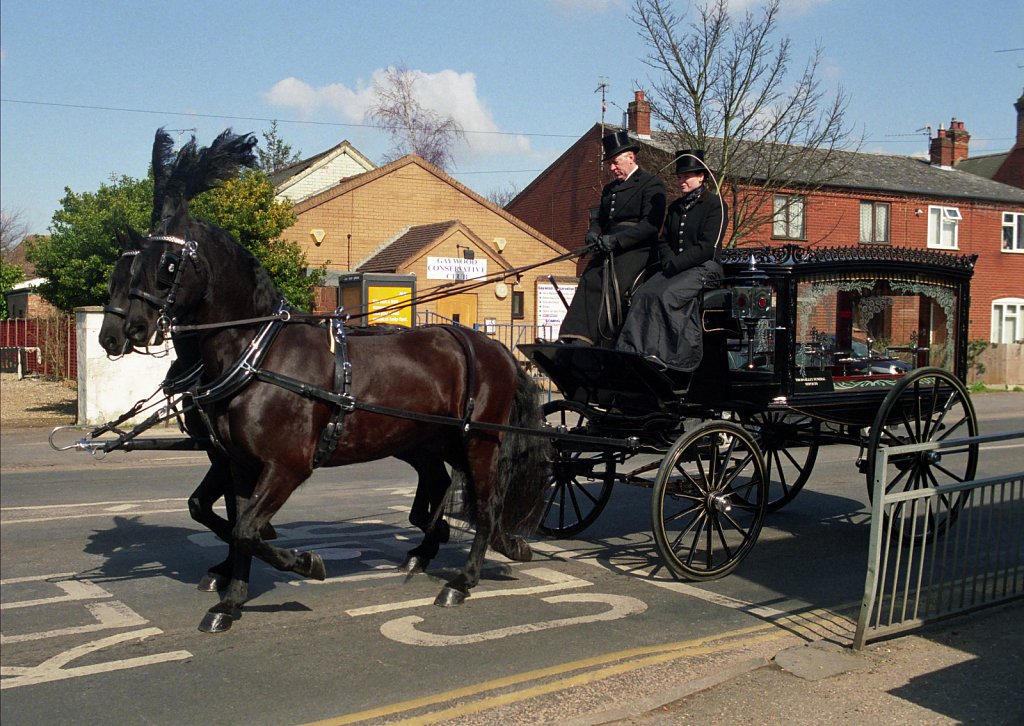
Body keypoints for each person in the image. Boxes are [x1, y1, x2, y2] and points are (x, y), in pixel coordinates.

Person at [616, 149, 728, 371]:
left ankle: (667, 356)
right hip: (675, 269)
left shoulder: (715, 205)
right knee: (644, 293)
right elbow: (664, 239)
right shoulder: (676, 207)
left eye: (686, 177)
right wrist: (669, 262)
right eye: (679, 177)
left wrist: (676, 264)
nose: (681, 181)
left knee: (665, 296)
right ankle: (632, 351)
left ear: (701, 177)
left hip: (705, 269)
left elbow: (707, 247)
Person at [558, 130, 666, 347]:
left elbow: (650, 226)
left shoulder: (651, 184)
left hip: (637, 247)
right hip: (608, 243)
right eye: (609, 164)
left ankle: (600, 337)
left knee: (610, 279)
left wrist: (617, 241)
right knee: (589, 276)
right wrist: (593, 232)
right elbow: (601, 218)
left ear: (630, 157)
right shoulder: (609, 189)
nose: (612, 168)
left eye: (615, 162)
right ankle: (573, 335)